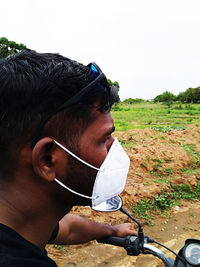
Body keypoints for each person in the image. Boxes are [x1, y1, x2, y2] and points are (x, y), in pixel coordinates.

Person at [0, 50, 136, 266]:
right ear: (47, 160)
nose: (114, 147)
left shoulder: (20, 218)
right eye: (105, 138)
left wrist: (111, 230)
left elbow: (67, 228)